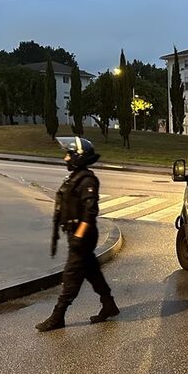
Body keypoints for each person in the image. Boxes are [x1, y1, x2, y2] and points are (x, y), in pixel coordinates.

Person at [36, 136, 120, 332]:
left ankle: (58, 316)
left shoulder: (87, 180)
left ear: (79, 157)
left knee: (71, 275)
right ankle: (109, 305)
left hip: (83, 237)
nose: (66, 158)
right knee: (93, 272)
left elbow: (90, 212)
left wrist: (78, 237)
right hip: (78, 236)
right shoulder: (76, 177)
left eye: (69, 154)